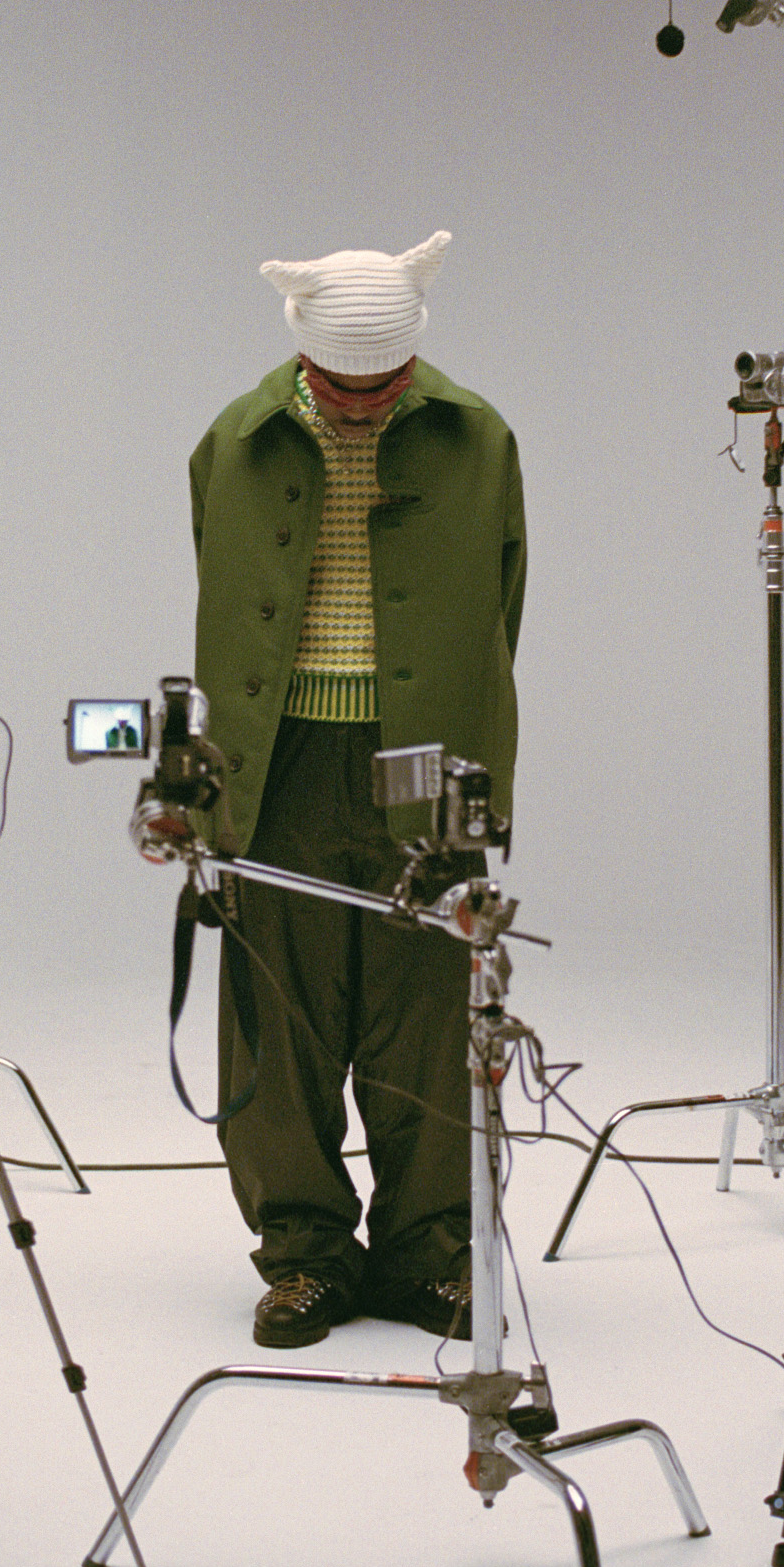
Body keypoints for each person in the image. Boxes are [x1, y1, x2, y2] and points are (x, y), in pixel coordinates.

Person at [185, 231, 525, 1348]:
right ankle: (305, 1260)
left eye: (383, 387)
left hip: (423, 759)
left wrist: (466, 747)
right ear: (302, 355)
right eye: (340, 387)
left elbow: (500, 607)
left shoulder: (480, 439)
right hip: (276, 762)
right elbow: (224, 595)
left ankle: (430, 1257)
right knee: (273, 1024)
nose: (361, 404)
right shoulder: (231, 443)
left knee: (427, 1018)